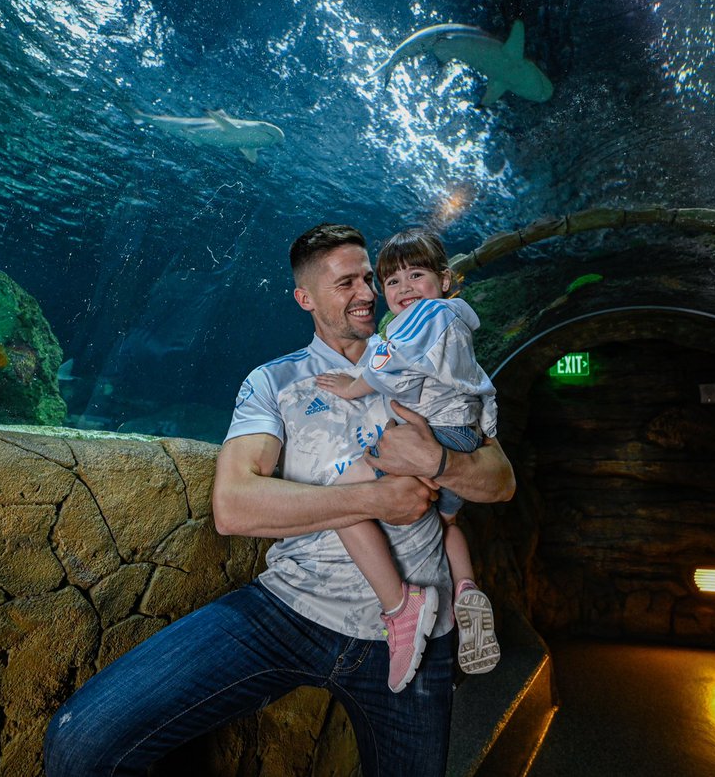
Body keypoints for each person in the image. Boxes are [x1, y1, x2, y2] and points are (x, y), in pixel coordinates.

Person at [42, 222, 515, 777]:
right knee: (82, 743)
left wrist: (437, 462)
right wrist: (379, 498)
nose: (366, 294)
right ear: (305, 297)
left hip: (416, 637)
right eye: (347, 284)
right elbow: (235, 505)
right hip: (291, 609)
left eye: (369, 277)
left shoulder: (432, 365)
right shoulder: (274, 381)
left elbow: (499, 481)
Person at [316, 228, 501, 691]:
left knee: (343, 494)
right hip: (463, 435)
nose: (404, 289)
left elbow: (392, 364)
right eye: (393, 282)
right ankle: (466, 588)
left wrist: (353, 385)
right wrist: (484, 434)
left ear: (444, 279)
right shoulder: (455, 320)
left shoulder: (426, 316)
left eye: (416, 275)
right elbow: (482, 385)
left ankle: (400, 607)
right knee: (448, 525)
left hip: (437, 433)